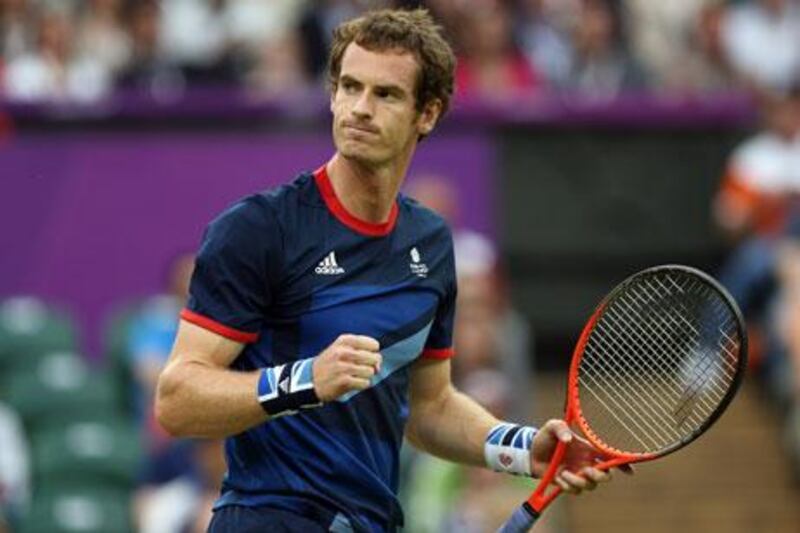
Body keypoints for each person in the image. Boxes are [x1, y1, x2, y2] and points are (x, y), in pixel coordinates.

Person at [155, 8, 623, 532]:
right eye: (349, 87)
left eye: (386, 94)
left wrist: (518, 449)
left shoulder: (430, 242)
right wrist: (304, 380)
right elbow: (176, 399)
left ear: (428, 113)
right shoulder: (260, 228)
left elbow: (430, 407)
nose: (359, 108)